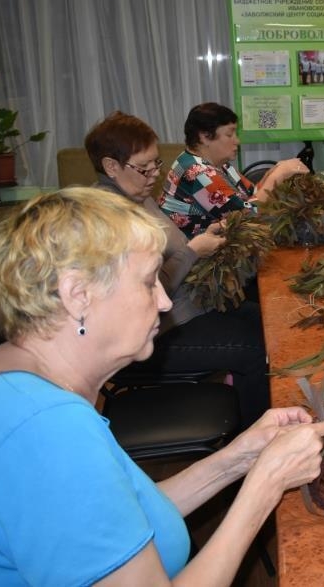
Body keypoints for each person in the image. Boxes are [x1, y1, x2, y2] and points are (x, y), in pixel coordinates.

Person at [0, 187, 324, 585]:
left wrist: (240, 459)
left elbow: (123, 517)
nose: (165, 302)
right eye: (149, 281)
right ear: (78, 294)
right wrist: (266, 487)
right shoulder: (44, 429)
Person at [86, 111, 269, 427]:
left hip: (183, 310)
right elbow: (144, 295)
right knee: (254, 347)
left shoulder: (137, 196)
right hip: (150, 336)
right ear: (111, 167)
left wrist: (202, 242)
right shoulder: (109, 217)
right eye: (144, 168)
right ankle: (254, 446)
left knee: (266, 319)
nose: (154, 175)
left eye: (156, 164)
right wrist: (193, 250)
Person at [160, 102, 308, 238]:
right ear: (204, 137)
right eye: (229, 134)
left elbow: (252, 194)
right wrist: (278, 175)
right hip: (201, 256)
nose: (237, 141)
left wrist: (272, 173)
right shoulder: (197, 172)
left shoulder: (217, 163)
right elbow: (248, 217)